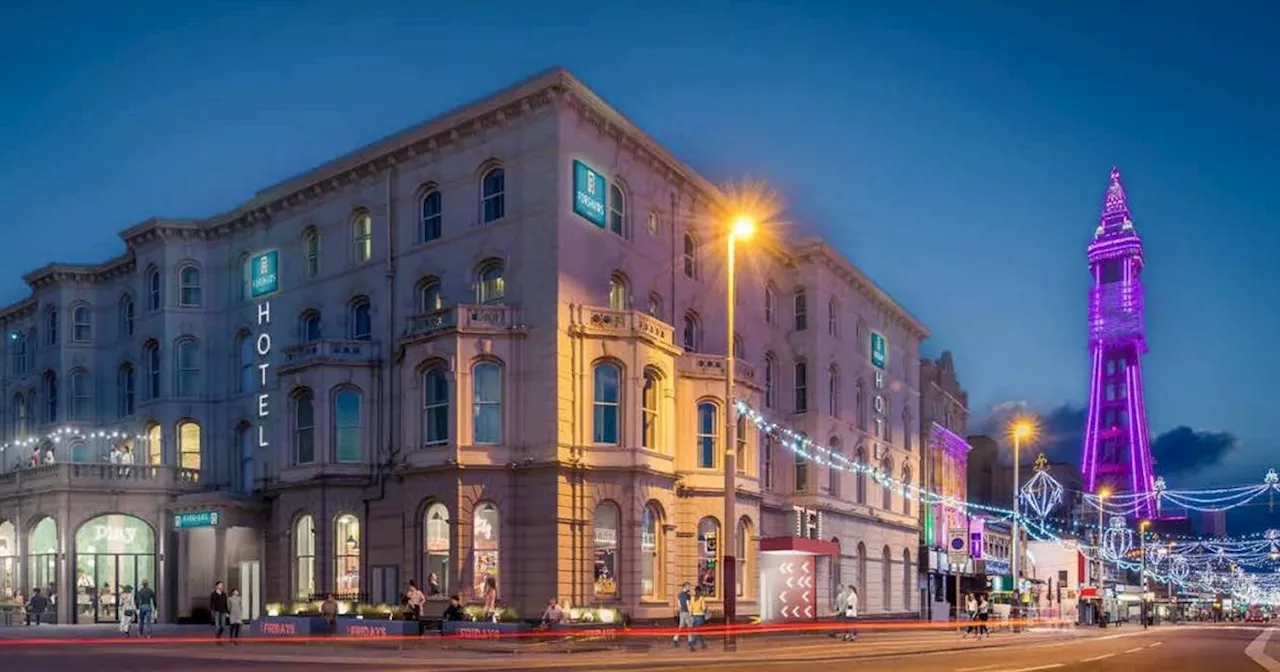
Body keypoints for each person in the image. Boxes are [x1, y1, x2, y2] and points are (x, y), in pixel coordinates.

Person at [671, 582, 692, 647]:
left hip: (682, 612)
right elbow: (688, 604)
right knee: (689, 627)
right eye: (688, 586)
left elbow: (679, 604)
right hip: (686, 612)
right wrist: (691, 613)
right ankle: (690, 642)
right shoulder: (687, 595)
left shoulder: (679, 595)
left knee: (681, 626)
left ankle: (675, 639)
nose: (689, 588)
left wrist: (681, 610)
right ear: (685, 587)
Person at [688, 587, 709, 651]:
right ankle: (692, 645)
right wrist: (706, 610)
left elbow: (690, 607)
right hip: (700, 616)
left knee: (698, 631)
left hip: (693, 616)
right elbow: (703, 608)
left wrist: (690, 615)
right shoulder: (701, 598)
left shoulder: (692, 598)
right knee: (697, 631)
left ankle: (703, 644)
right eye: (701, 591)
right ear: (699, 591)